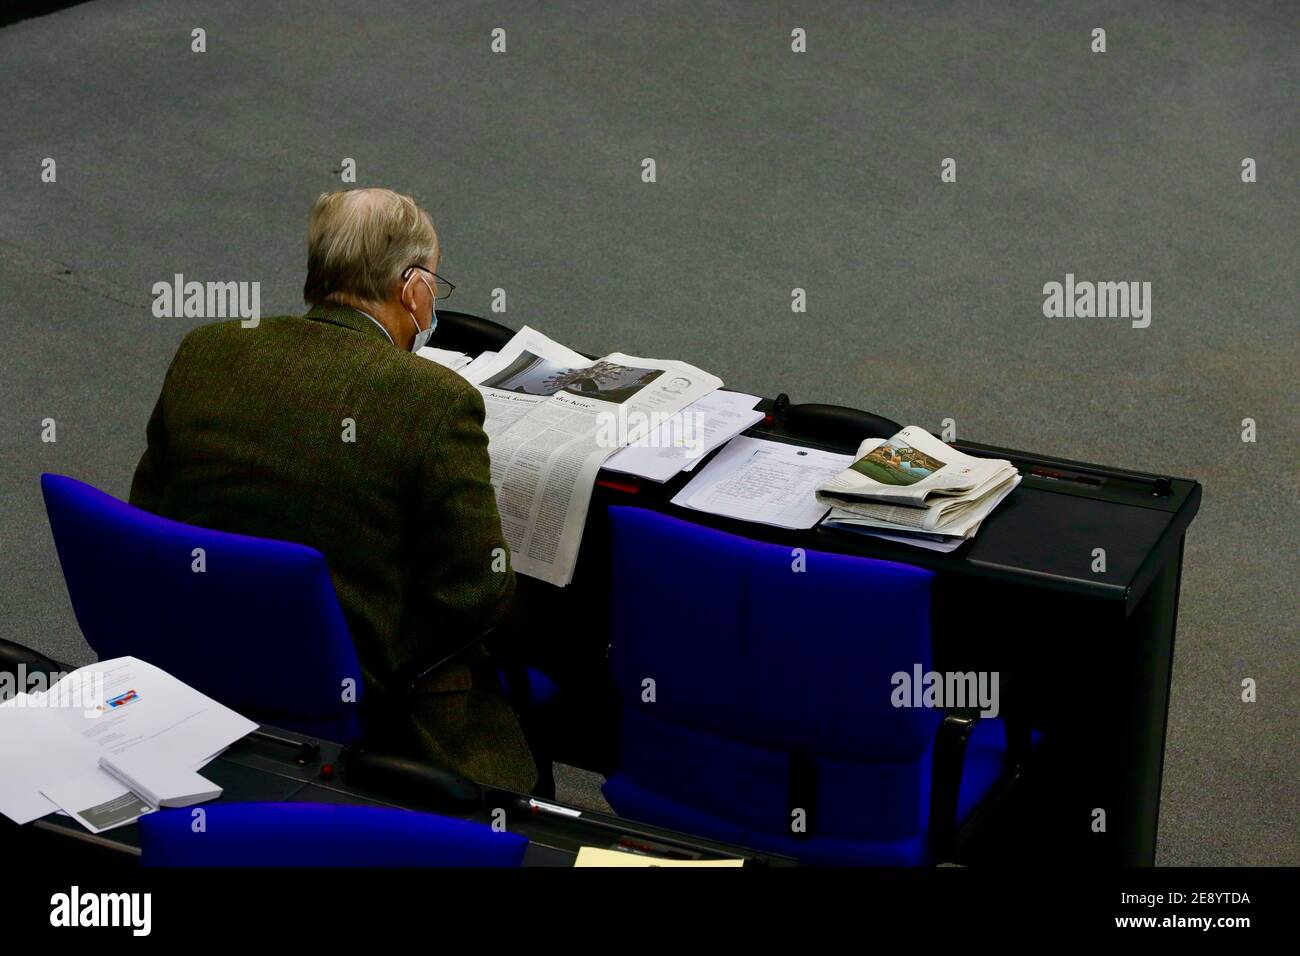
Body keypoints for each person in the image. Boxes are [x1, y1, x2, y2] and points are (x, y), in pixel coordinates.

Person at [129, 187, 536, 792]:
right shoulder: (434, 398)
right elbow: (473, 593)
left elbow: (148, 508)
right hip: (354, 686)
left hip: (192, 648)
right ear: (413, 288)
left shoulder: (207, 349)